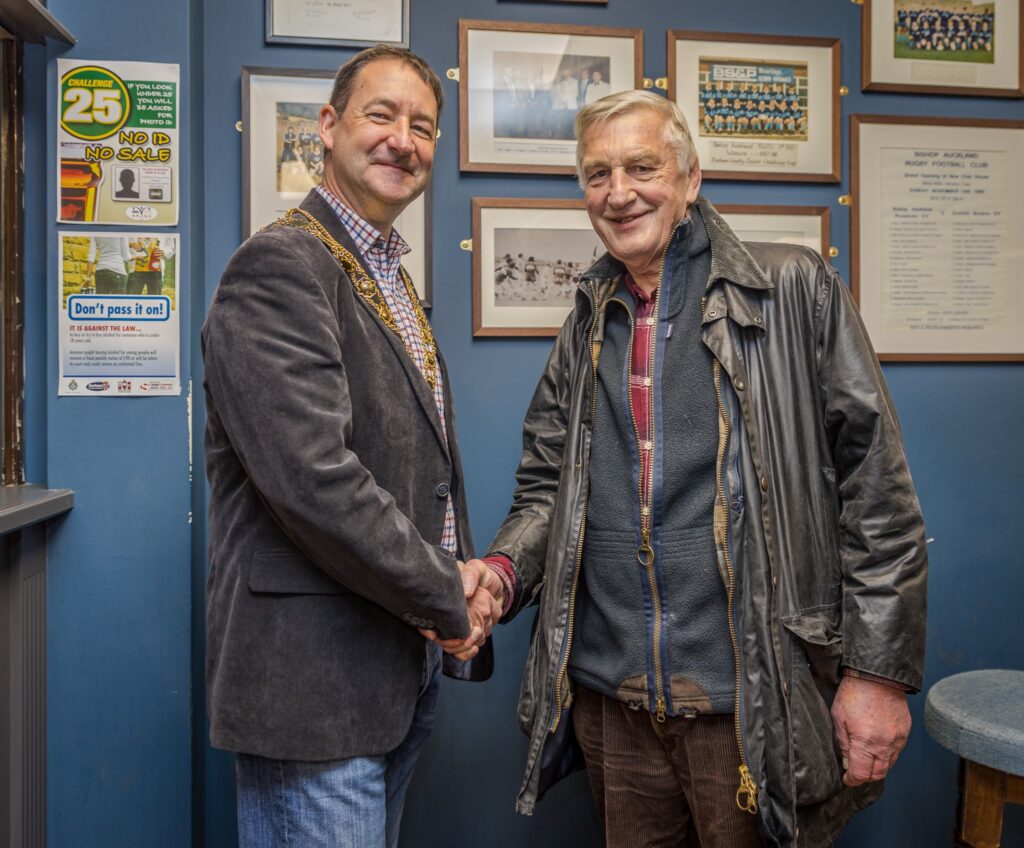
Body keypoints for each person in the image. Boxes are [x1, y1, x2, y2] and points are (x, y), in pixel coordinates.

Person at [460, 91, 928, 848]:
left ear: (690, 178)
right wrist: (504, 574)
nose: (618, 192)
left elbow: (879, 496)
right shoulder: (587, 319)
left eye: (641, 167)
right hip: (614, 707)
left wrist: (877, 674)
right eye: (598, 174)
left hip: (751, 704)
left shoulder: (794, 289)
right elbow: (549, 491)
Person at [202, 46, 501, 848]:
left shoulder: (385, 273)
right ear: (328, 128)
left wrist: (458, 581)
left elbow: (417, 465)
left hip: (390, 670)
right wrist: (446, 592)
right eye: (381, 115)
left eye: (423, 126)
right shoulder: (279, 266)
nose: (403, 140)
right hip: (313, 688)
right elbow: (316, 480)